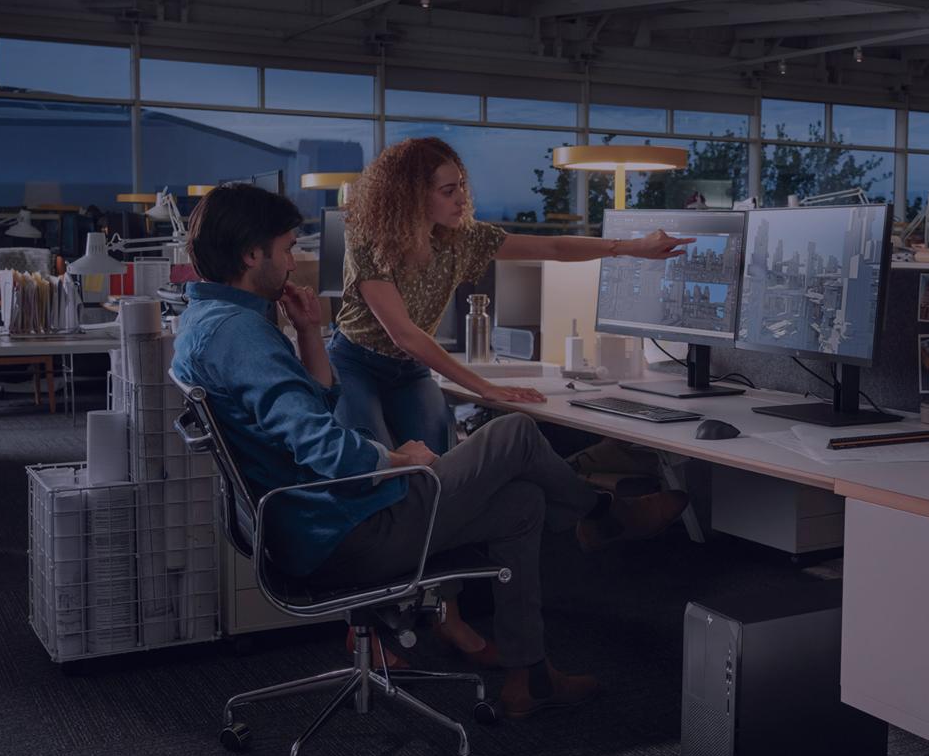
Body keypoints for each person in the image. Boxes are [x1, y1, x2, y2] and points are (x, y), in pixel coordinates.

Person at [171, 183, 688, 718]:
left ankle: (528, 677)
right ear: (251, 255)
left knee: (523, 507)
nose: (292, 263)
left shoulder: (206, 321)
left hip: (306, 526)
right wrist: (396, 459)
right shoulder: (242, 337)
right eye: (284, 250)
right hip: (344, 531)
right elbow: (323, 447)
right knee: (514, 433)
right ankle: (603, 513)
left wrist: (308, 333)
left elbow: (317, 409)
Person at [327, 136, 695, 457]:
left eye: (462, 187)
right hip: (356, 363)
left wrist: (633, 247)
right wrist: (486, 388)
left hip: (410, 370)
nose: (461, 199)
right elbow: (403, 334)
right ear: (412, 196)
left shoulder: (463, 239)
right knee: (368, 454)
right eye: (448, 191)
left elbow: (553, 247)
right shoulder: (369, 243)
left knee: (438, 455)